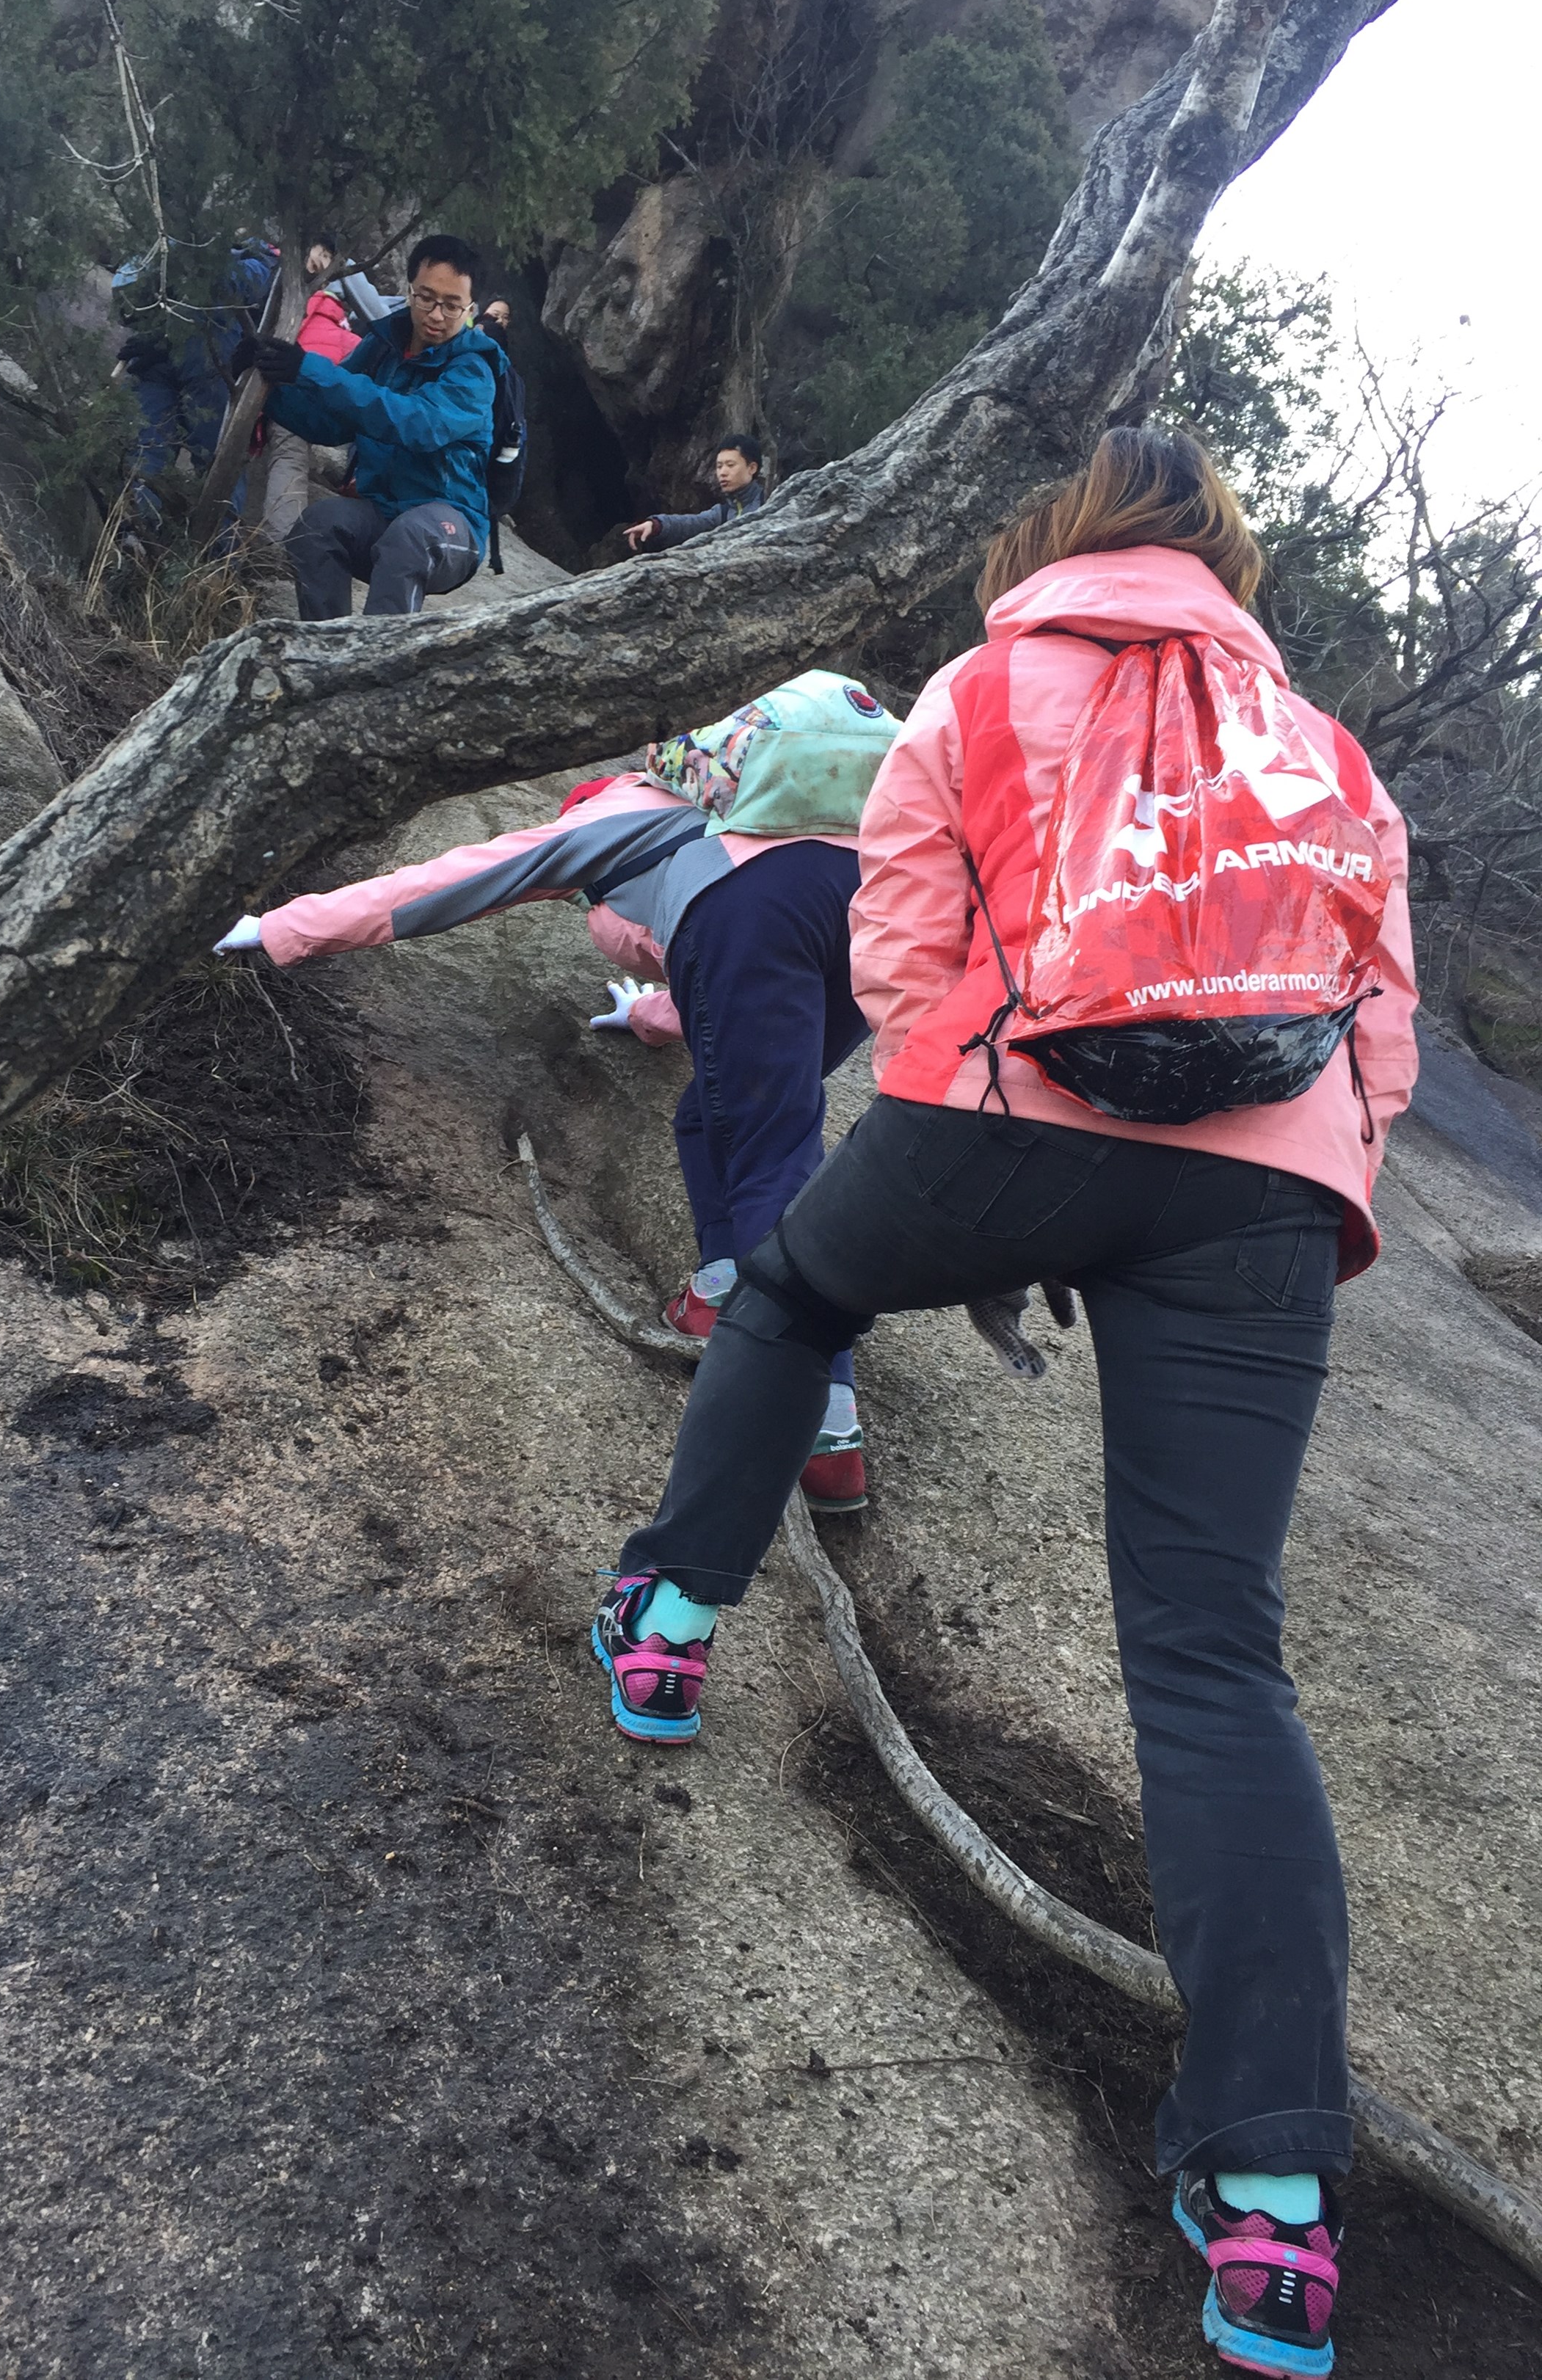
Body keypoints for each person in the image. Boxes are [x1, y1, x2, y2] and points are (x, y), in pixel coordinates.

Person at [595, 428, 1419, 2380]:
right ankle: (1275, 2205)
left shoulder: (979, 684)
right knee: (1212, 1650)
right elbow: (1376, 1016)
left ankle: (671, 1622)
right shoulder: (1323, 747)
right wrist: (1308, 1172)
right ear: (1227, 567)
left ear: (1056, 543)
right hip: (1267, 1191)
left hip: (1002, 1111)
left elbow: (899, 943)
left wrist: (983, 1134)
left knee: (792, 1288)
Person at [211, 670, 906, 1507]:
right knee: (714, 1115)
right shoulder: (787, 813)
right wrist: (647, 1016)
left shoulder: (615, 814)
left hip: (757, 913)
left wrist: (284, 927)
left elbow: (455, 878)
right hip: (874, 908)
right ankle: (722, 1287)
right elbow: (733, 1003)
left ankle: (822, 1424)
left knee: (770, 1151)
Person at [235, 232, 503, 618]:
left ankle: (382, 655)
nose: (436, 315)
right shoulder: (382, 348)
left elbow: (416, 424)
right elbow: (329, 425)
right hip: (384, 513)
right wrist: (269, 388)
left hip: (452, 525)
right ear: (409, 291)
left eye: (451, 305)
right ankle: (327, 645)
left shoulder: (474, 372)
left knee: (410, 539)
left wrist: (310, 369)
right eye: (426, 298)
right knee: (316, 526)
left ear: (471, 309)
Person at [112, 239, 276, 536]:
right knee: (149, 451)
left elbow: (244, 285)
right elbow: (128, 298)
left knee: (215, 459)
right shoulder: (163, 244)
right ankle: (139, 536)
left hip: (208, 358)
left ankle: (217, 550)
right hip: (168, 360)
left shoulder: (252, 255)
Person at [250, 234, 360, 558]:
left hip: (287, 392)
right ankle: (280, 546)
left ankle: (278, 546)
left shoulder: (322, 309)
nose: (322, 263)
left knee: (289, 456)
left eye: (329, 259)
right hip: (290, 389)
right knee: (289, 457)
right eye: (322, 253)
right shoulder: (281, 278)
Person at [624, 434, 767, 553]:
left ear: (752, 468)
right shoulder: (723, 513)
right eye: (719, 466)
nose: (723, 472)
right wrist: (656, 525)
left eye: (730, 465)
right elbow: (691, 523)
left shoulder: (769, 504)